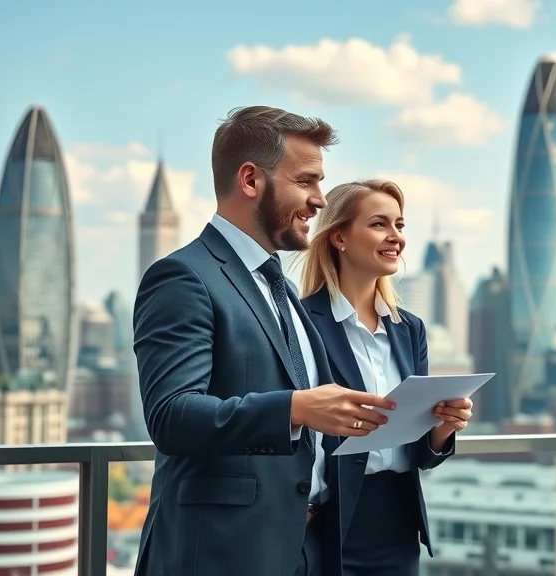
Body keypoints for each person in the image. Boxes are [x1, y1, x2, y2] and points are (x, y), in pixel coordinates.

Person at [133, 106, 397, 576]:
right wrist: (294, 408)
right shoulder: (183, 277)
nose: (320, 200)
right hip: (222, 555)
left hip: (305, 549)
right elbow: (171, 415)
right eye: (307, 181)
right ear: (251, 180)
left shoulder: (283, 289)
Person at [299, 179, 473, 576]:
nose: (396, 237)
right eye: (380, 224)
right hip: (330, 521)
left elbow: (420, 452)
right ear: (338, 237)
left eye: (400, 225)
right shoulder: (302, 323)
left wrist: (444, 426)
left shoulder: (409, 329)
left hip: (397, 521)